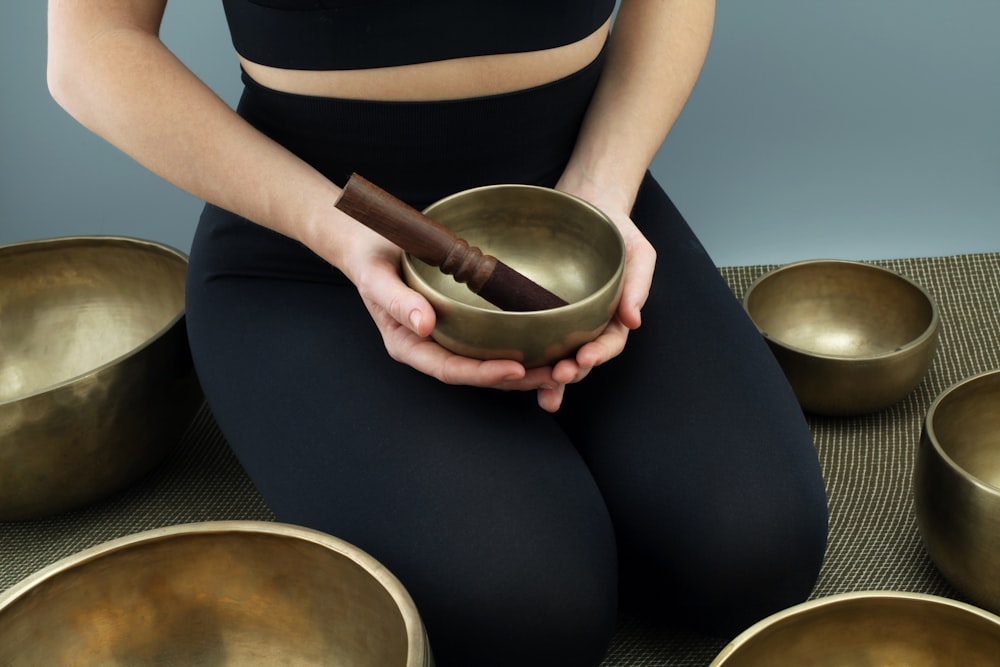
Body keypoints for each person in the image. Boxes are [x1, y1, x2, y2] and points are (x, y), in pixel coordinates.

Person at [47, 1, 828, 664]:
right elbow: (91, 49)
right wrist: (338, 233)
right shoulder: (323, 240)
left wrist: (601, 193)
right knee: (530, 611)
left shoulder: (592, 201)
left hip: (578, 199)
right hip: (316, 243)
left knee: (756, 547)